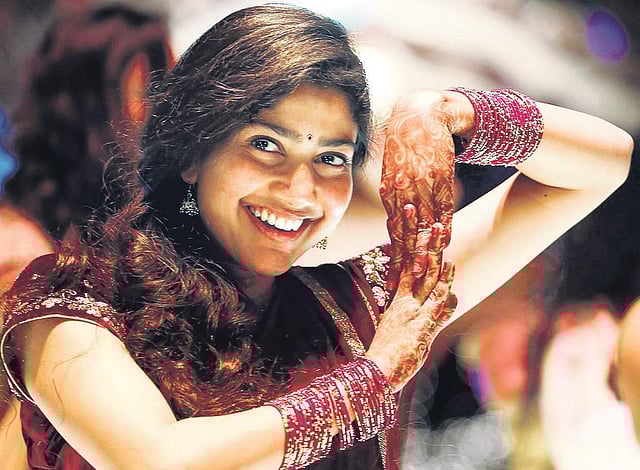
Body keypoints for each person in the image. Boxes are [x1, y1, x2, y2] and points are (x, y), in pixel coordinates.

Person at [0, 4, 632, 470]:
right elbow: (161, 460)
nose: (300, 192)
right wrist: (373, 377)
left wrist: (457, 113)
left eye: (332, 157)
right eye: (265, 145)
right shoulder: (72, 301)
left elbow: (602, 166)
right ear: (193, 153)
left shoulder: (360, 302)